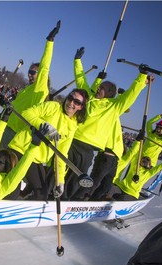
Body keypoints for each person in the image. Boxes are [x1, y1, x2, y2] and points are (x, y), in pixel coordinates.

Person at [63, 46, 153, 200]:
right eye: (99, 86)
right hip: (73, 139)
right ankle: (54, 195)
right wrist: (77, 61)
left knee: (78, 178)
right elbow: (81, 79)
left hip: (88, 148)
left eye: (102, 88)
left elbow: (130, 95)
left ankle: (69, 201)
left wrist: (141, 78)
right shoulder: (89, 99)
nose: (98, 88)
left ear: (110, 94)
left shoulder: (114, 107)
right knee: (62, 170)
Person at [0, 20, 61, 171]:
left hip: (11, 133)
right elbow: (16, 108)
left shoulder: (40, 90)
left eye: (32, 72)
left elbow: (45, 67)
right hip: (3, 126)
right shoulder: (27, 89)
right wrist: (5, 104)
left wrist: (49, 42)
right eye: (29, 72)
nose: (29, 75)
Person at [8, 89, 89, 200]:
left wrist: (60, 181)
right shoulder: (53, 107)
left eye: (77, 102)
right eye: (70, 98)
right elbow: (26, 113)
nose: (71, 103)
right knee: (11, 189)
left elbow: (61, 154)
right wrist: (45, 127)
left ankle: (25, 210)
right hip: (21, 149)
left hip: (35, 159)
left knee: (41, 194)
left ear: (81, 107)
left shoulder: (72, 126)